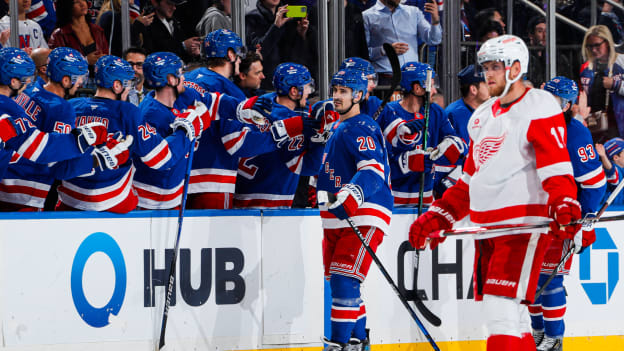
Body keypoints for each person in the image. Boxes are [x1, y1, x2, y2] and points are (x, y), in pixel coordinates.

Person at [409, 35, 581, 351]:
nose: (488, 75)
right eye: (486, 67)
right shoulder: (482, 117)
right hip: (487, 230)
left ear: (516, 68)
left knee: (499, 312)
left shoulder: (539, 105)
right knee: (512, 319)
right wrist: (438, 217)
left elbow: (555, 167)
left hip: (521, 228)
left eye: (495, 67)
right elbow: (469, 182)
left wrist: (565, 204)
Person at [57, 55, 212, 213]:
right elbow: (160, 158)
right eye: (128, 83)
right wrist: (187, 128)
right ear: (117, 86)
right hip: (111, 206)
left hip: (67, 202)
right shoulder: (127, 112)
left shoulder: (70, 107)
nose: (130, 88)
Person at [529, 77, 606, 351]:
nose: (551, 106)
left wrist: (584, 223)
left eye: (559, 102)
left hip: (562, 220)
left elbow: (595, 185)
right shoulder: (531, 126)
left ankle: (554, 339)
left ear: (569, 105)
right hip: (531, 216)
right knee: (531, 279)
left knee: (549, 280)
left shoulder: (574, 133)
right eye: (547, 99)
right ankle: (537, 333)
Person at [318, 68, 392, 351]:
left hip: (364, 212)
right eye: (335, 90)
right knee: (341, 283)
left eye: (343, 92)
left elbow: (373, 170)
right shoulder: (339, 126)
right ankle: (357, 341)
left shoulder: (361, 127)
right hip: (337, 216)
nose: (336, 97)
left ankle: (338, 345)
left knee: (344, 280)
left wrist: (352, 195)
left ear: (358, 95)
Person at [3, 47, 124, 211]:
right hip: (25, 191)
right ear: (66, 80)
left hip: (5, 179)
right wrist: (98, 159)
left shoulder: (28, 91)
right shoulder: (60, 109)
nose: (81, 82)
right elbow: (58, 166)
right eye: (79, 77)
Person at [234, 62, 322, 208]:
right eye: (307, 87)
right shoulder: (290, 118)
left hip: (242, 196)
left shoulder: (261, 105)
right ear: (294, 91)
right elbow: (308, 167)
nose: (309, 92)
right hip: (272, 199)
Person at [378, 61, 465, 207]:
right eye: (431, 85)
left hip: (426, 200)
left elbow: (454, 139)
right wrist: (406, 163)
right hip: (393, 202)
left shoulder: (436, 112)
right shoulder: (388, 114)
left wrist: (452, 144)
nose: (435, 91)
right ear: (417, 88)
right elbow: (380, 162)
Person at [437, 64, 489, 197]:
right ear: (473, 89)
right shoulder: (454, 114)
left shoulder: (489, 110)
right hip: (459, 185)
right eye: (486, 83)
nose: (491, 86)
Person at [362, 0, 441, 82]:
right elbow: (364, 53)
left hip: (412, 78)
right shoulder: (366, 16)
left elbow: (434, 40)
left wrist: (435, 20)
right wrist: (384, 50)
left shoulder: (414, 12)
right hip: (385, 79)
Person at [579, 25, 624, 142]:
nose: (594, 50)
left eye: (597, 45)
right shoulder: (586, 68)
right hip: (596, 126)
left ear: (608, 42)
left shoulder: (622, 61)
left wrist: (616, 85)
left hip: (620, 124)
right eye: (590, 46)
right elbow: (582, 96)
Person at [185, 29, 246, 101]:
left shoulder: (186, 76)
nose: (239, 60)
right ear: (231, 55)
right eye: (238, 54)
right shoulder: (231, 92)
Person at [48, 0, 108, 67]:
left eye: (83, 0)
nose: (82, 4)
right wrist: (85, 60)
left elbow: (107, 55)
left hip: (99, 75)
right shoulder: (59, 35)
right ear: (67, 6)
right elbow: (57, 64)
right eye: (76, 2)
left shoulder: (97, 30)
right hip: (75, 76)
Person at [596, 137, 624, 207]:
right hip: (610, 213)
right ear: (616, 157)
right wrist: (603, 156)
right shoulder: (616, 170)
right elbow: (610, 170)